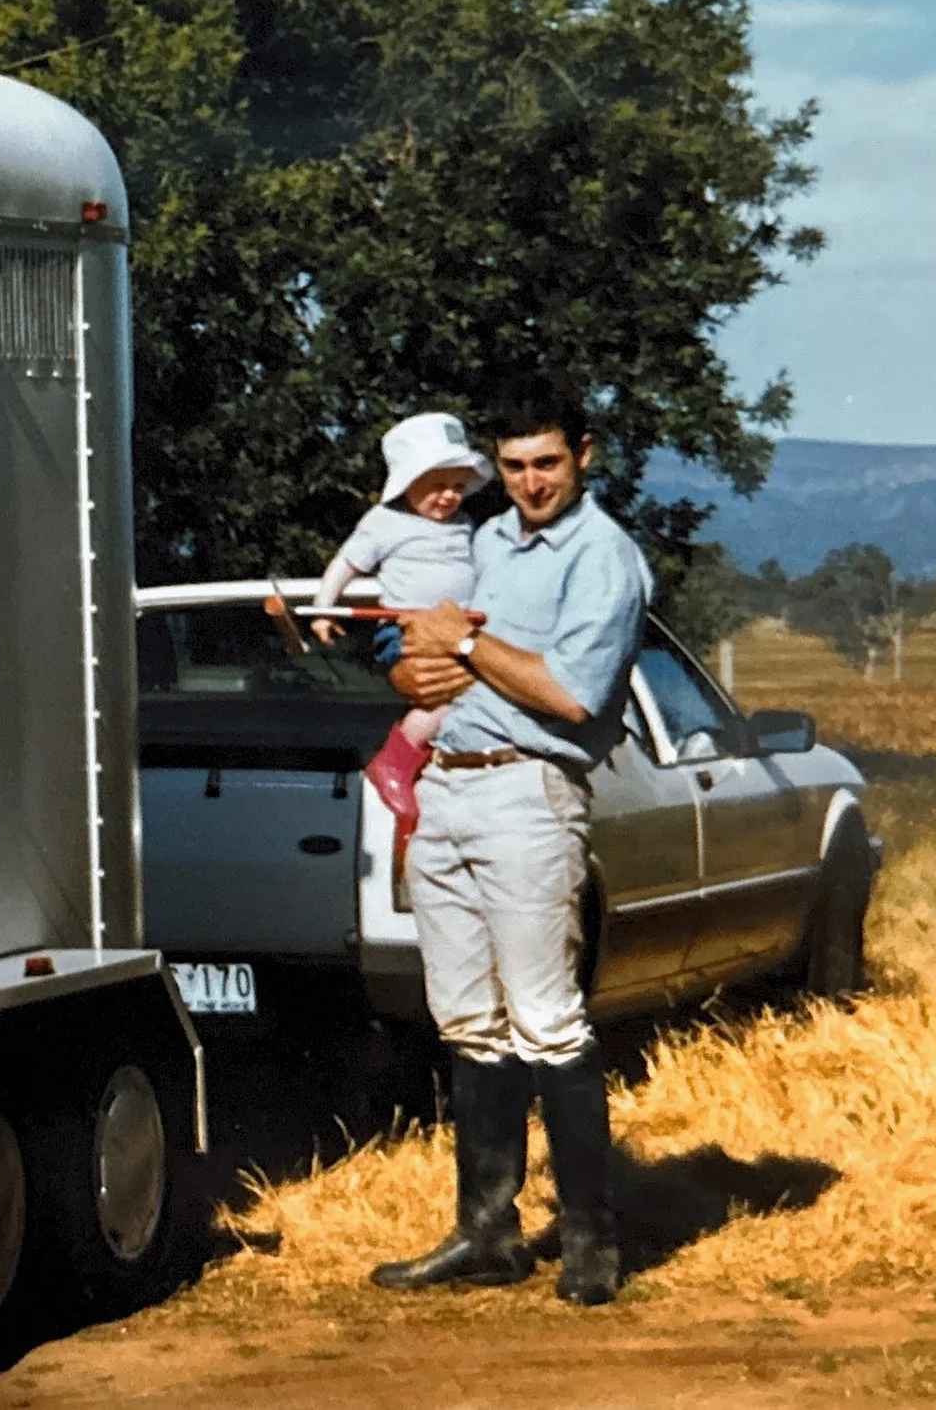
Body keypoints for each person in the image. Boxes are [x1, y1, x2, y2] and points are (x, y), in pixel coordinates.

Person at [370, 380, 653, 1308]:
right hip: (447, 783)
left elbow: (572, 692)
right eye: (513, 464)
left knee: (547, 1017)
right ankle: (486, 1232)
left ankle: (590, 1242)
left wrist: (466, 643)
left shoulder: (605, 557)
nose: (530, 481)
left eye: (547, 462)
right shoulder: (488, 541)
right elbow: (436, 656)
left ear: (583, 454)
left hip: (529, 791)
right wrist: (415, 662)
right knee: (465, 1018)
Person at [307, 411, 492, 828]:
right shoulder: (384, 523)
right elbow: (344, 564)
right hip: (405, 629)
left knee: (477, 689)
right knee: (449, 693)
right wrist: (323, 610)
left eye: (458, 488)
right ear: (409, 483)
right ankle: (396, 758)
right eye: (436, 487)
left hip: (459, 629)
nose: (448, 497)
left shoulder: (464, 525)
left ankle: (431, 759)